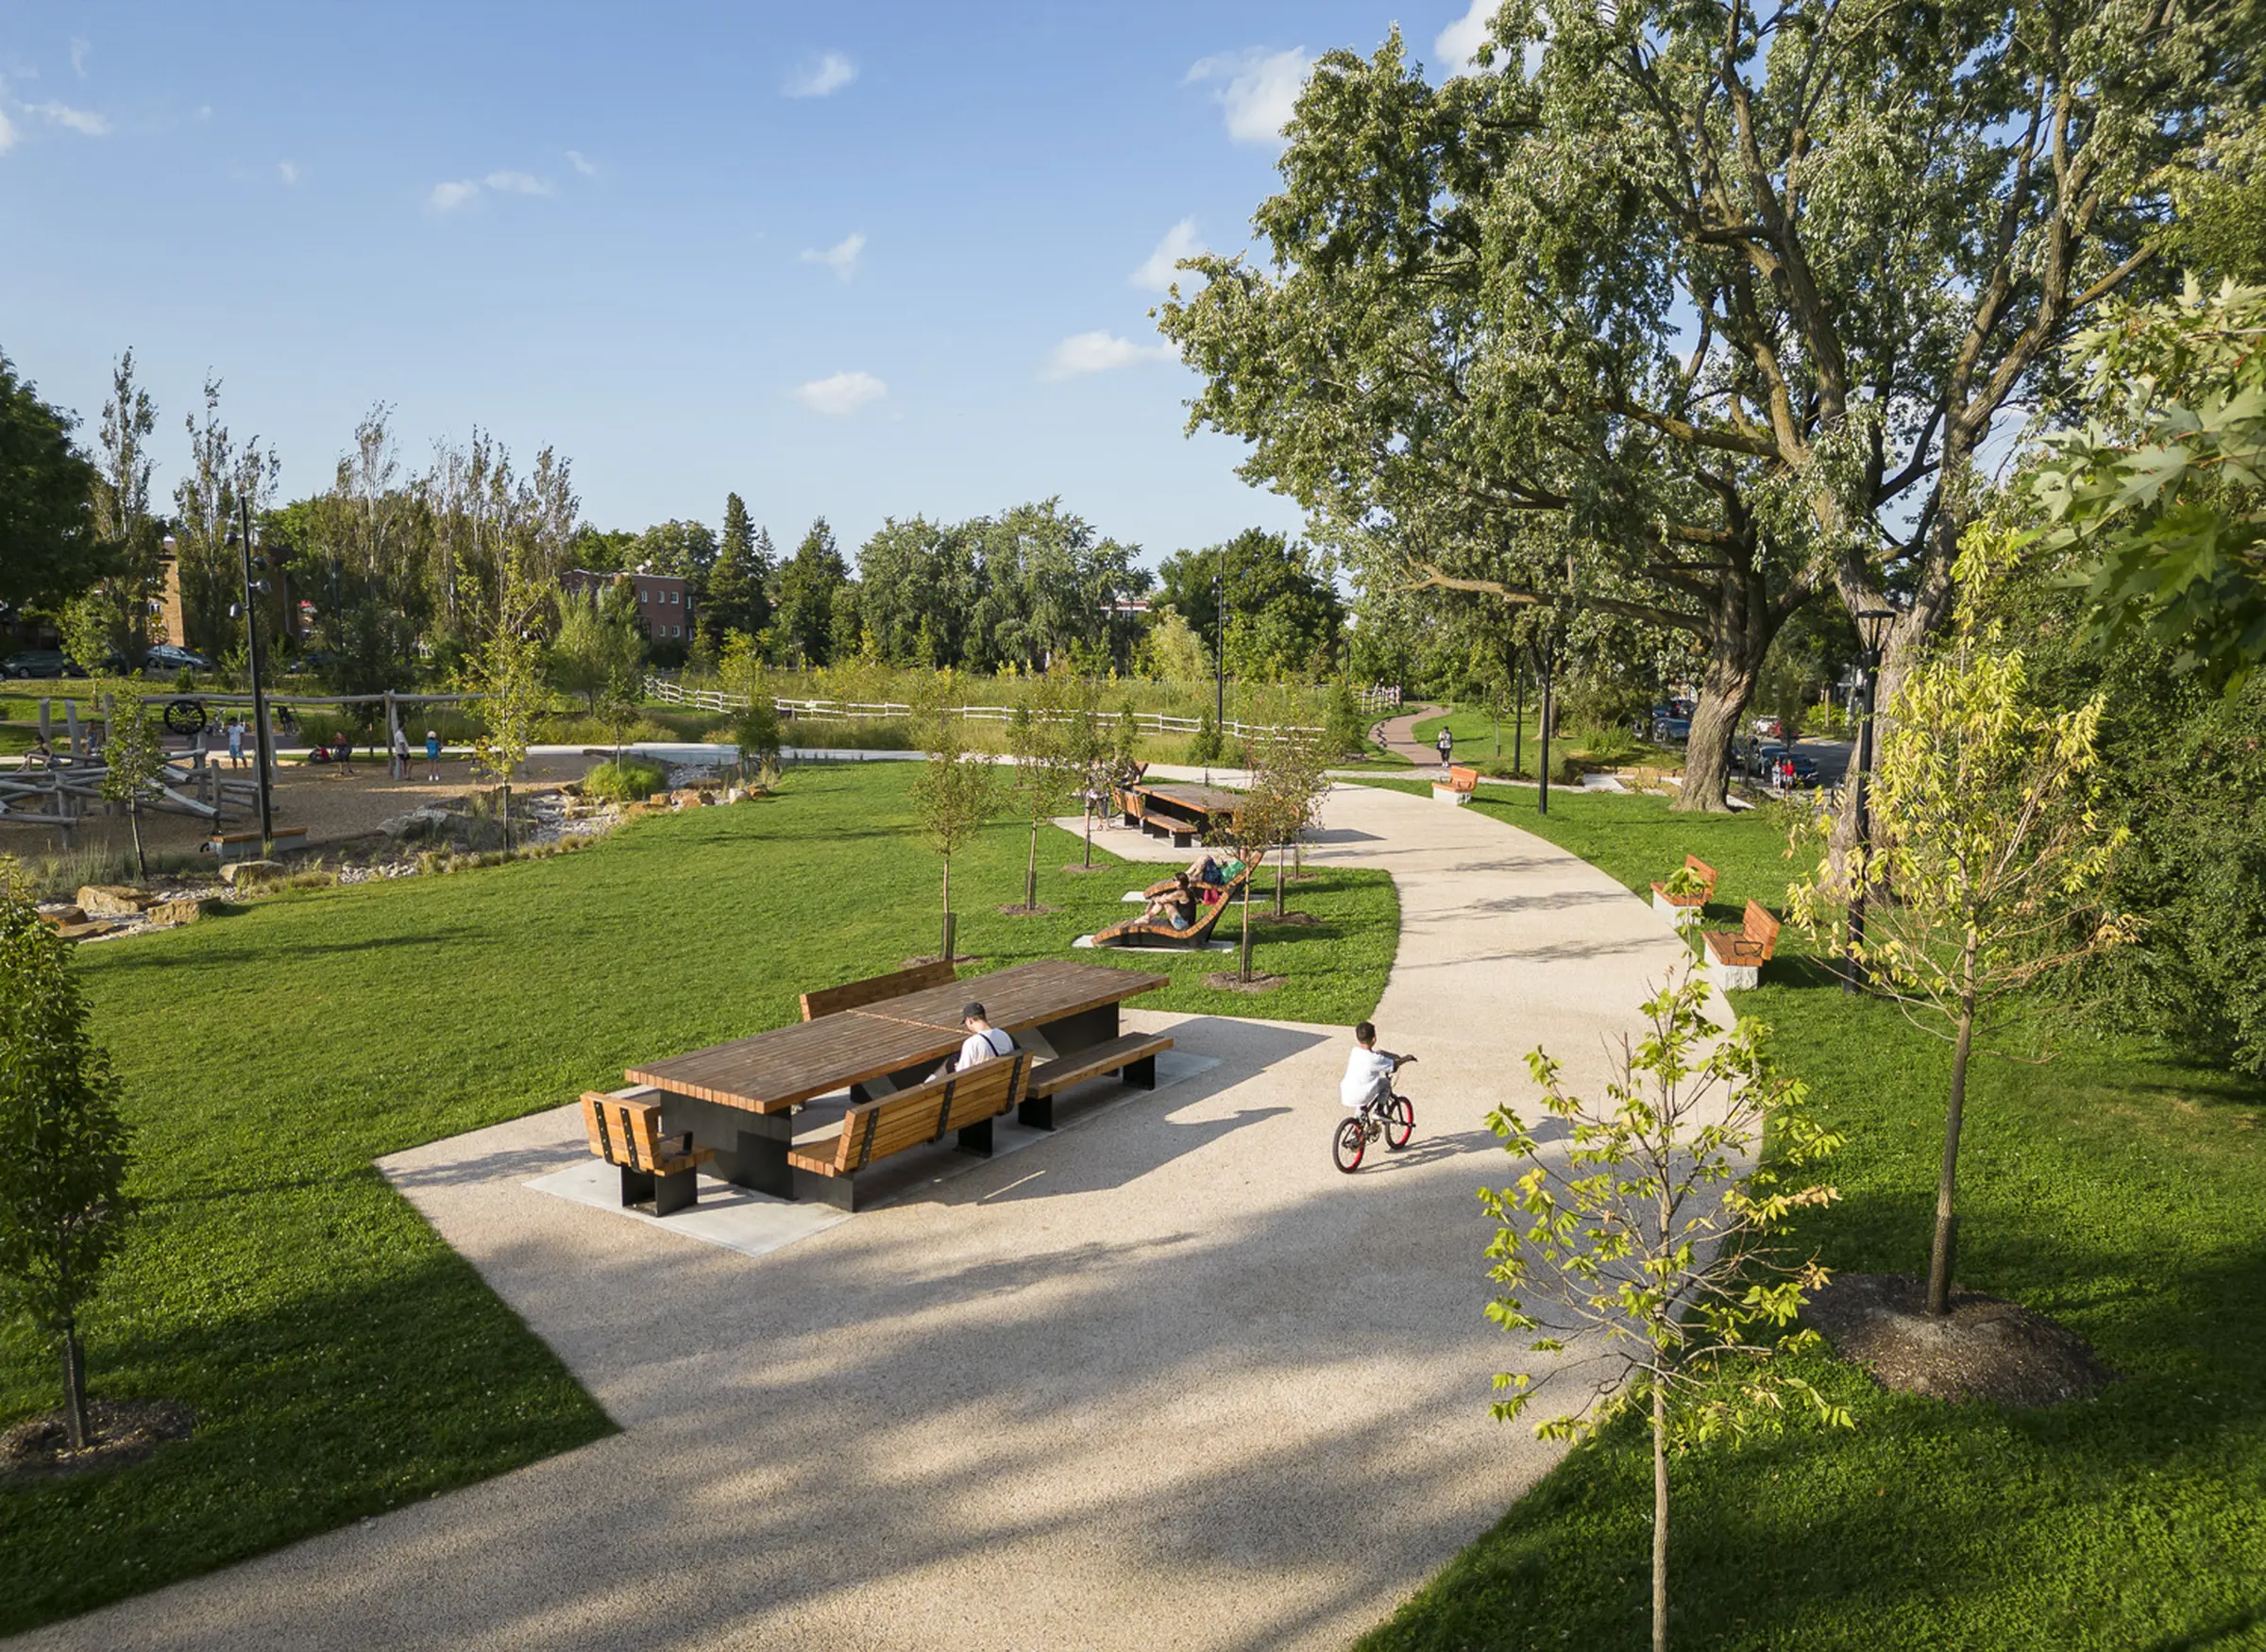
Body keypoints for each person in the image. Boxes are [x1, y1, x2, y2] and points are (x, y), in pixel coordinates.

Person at [1341, 1020, 1414, 1115]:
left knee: (1363, 1088)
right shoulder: (1375, 1059)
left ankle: (1357, 1120)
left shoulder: (1355, 1052)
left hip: (1347, 1092)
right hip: (1362, 1094)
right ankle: (1379, 1111)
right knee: (1385, 1083)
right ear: (1374, 1039)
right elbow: (1393, 1066)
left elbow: (1370, 1057)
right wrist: (1406, 1058)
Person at [933, 1003, 1014, 1081]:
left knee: (950, 1061)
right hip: (1003, 1080)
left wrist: (957, 1068)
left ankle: (929, 1082)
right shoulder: (1004, 1035)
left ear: (970, 1020)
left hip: (981, 1085)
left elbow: (961, 1075)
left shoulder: (972, 1043)